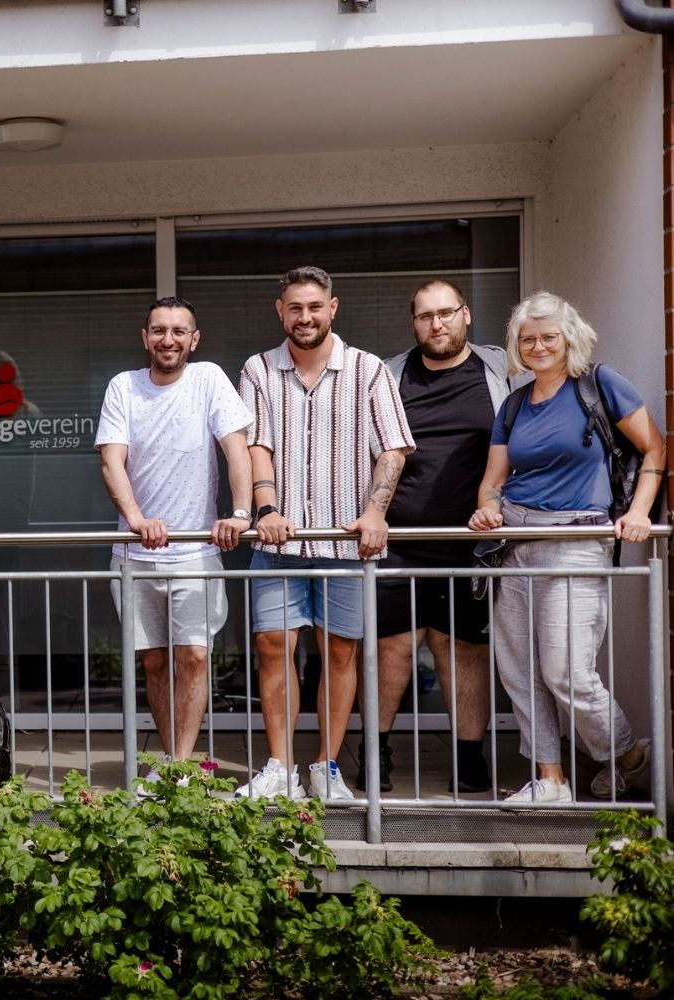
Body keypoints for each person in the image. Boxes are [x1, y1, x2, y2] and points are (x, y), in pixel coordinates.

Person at [468, 291, 664, 803]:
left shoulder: (598, 385)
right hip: (515, 542)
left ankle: (626, 753)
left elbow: (654, 448)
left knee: (567, 672)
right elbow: (493, 482)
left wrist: (639, 511)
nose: (537, 347)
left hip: (576, 540)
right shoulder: (514, 404)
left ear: (569, 338)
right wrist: (487, 508)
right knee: (519, 671)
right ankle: (550, 779)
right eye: (527, 339)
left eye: (548, 337)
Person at [236, 266, 414, 802]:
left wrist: (376, 512)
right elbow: (257, 445)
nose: (305, 317)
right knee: (273, 648)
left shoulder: (369, 369)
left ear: (332, 308)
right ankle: (279, 768)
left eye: (315, 306)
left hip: (345, 543)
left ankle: (326, 768)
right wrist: (266, 508)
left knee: (339, 655)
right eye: (295, 307)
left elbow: (393, 448)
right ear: (280, 311)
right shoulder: (258, 369)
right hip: (278, 543)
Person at [369, 281, 520, 795]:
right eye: (425, 316)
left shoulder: (501, 371)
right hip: (397, 539)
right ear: (413, 322)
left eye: (446, 313)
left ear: (466, 315)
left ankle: (469, 761)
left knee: (464, 649)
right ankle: (376, 755)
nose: (437, 324)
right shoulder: (389, 376)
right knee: (391, 648)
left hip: (472, 542)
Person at [96, 296, 253, 766]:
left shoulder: (208, 379)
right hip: (135, 554)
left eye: (179, 331)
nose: (169, 339)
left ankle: (181, 767)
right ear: (145, 338)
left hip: (194, 554)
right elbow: (111, 462)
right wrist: (137, 519)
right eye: (159, 331)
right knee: (154, 661)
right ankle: (170, 763)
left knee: (195, 657)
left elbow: (237, 450)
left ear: (194, 339)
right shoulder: (124, 386)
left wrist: (241, 512)